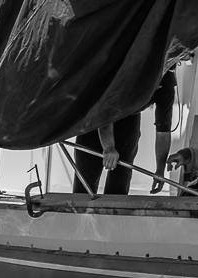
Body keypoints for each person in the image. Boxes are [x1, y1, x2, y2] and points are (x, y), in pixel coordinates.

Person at [72, 65, 178, 196]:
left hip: (129, 116)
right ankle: (79, 207)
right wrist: (109, 147)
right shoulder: (129, 68)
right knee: (86, 175)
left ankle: (114, 209)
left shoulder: (166, 84)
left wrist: (160, 170)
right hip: (97, 112)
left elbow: (163, 132)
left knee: (121, 175)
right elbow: (104, 112)